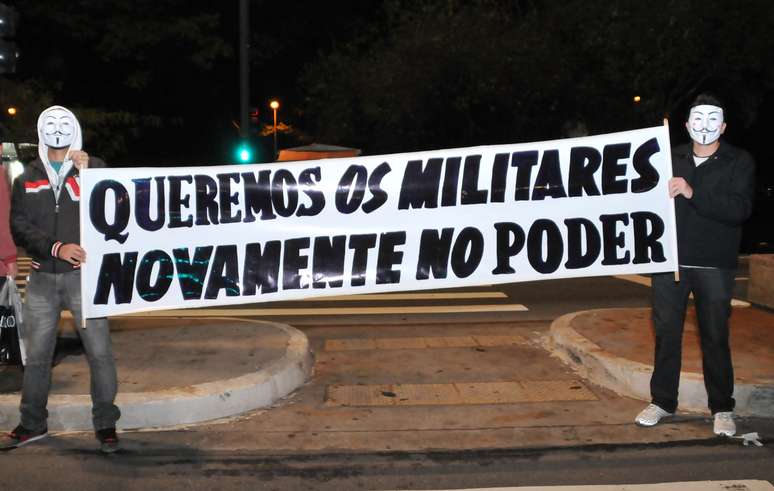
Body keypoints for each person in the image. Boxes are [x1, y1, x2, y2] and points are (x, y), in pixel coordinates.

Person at [2, 106, 121, 453]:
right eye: (50, 124)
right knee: (37, 356)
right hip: (40, 280)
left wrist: (88, 177)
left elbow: (115, 210)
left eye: (63, 123)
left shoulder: (95, 169)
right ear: (41, 131)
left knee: (100, 353)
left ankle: (106, 424)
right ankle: (32, 423)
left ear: (75, 129)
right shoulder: (26, 177)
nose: (57, 129)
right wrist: (55, 247)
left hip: (85, 279)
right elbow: (19, 225)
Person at [635, 94, 755, 436]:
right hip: (670, 263)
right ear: (686, 125)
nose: (704, 127)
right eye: (696, 121)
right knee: (666, 334)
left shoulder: (738, 161)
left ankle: (721, 407)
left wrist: (692, 192)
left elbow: (739, 209)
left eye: (712, 120)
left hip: (714, 266)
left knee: (715, 337)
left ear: (724, 126)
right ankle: (662, 401)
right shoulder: (667, 157)